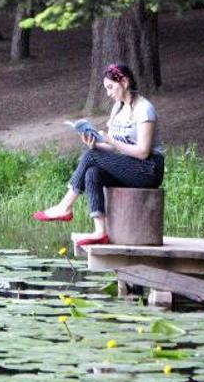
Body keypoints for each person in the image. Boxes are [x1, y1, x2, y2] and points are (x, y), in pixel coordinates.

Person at [32, 63, 164, 247]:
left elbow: (143, 152)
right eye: (106, 88)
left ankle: (65, 206)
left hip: (149, 169)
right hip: (129, 165)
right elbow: (113, 149)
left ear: (124, 82)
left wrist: (110, 141)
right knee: (92, 170)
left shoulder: (144, 109)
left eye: (111, 87)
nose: (108, 93)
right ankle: (100, 231)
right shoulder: (117, 108)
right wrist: (96, 145)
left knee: (90, 157)